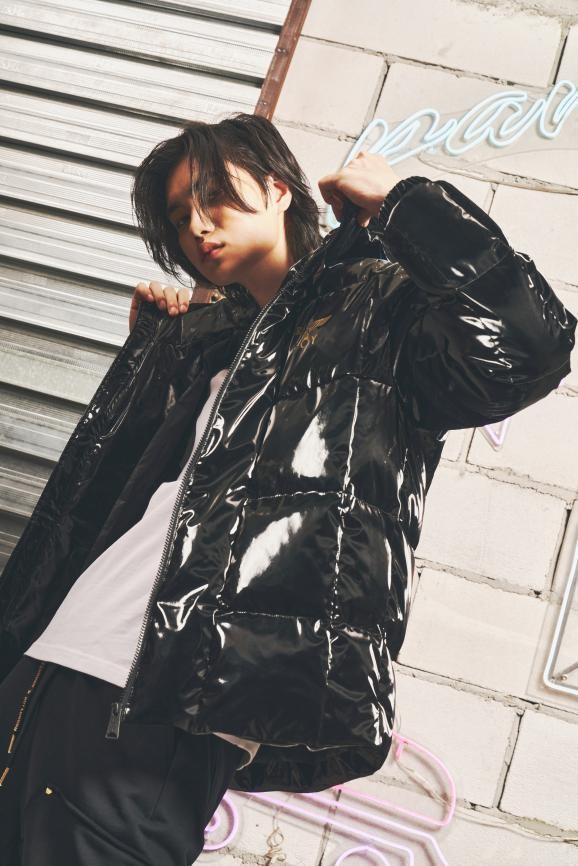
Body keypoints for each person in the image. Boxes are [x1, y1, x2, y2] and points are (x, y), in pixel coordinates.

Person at [0, 112, 576, 865]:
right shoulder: (221, 341)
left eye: (215, 196)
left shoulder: (383, 308)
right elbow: (127, 504)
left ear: (278, 189)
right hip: (55, 658)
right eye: (179, 216)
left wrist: (407, 205)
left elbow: (529, 346)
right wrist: (156, 357)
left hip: (158, 698)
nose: (197, 226)